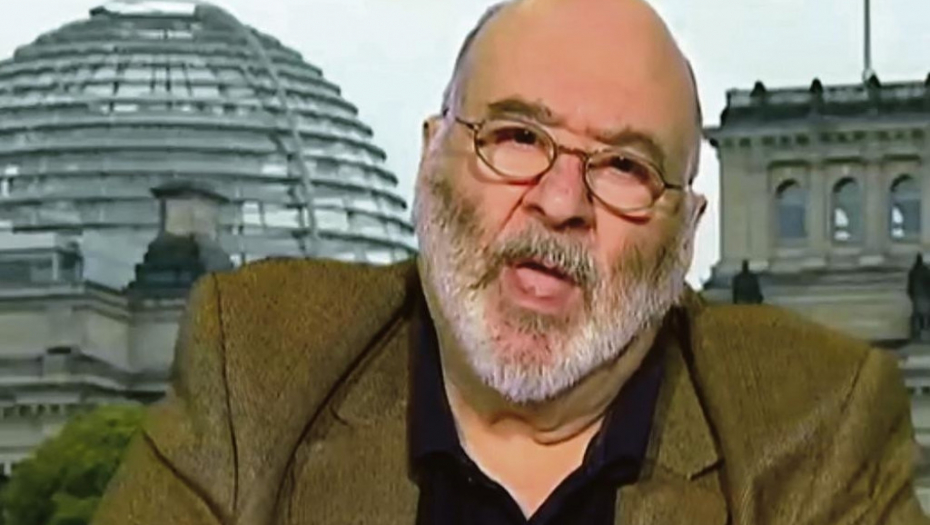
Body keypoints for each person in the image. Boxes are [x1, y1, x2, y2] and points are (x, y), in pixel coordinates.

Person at [92, 0, 929, 523]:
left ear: (685, 233)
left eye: (624, 166)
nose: (561, 201)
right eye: (518, 136)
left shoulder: (816, 421)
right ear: (431, 158)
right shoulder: (261, 362)